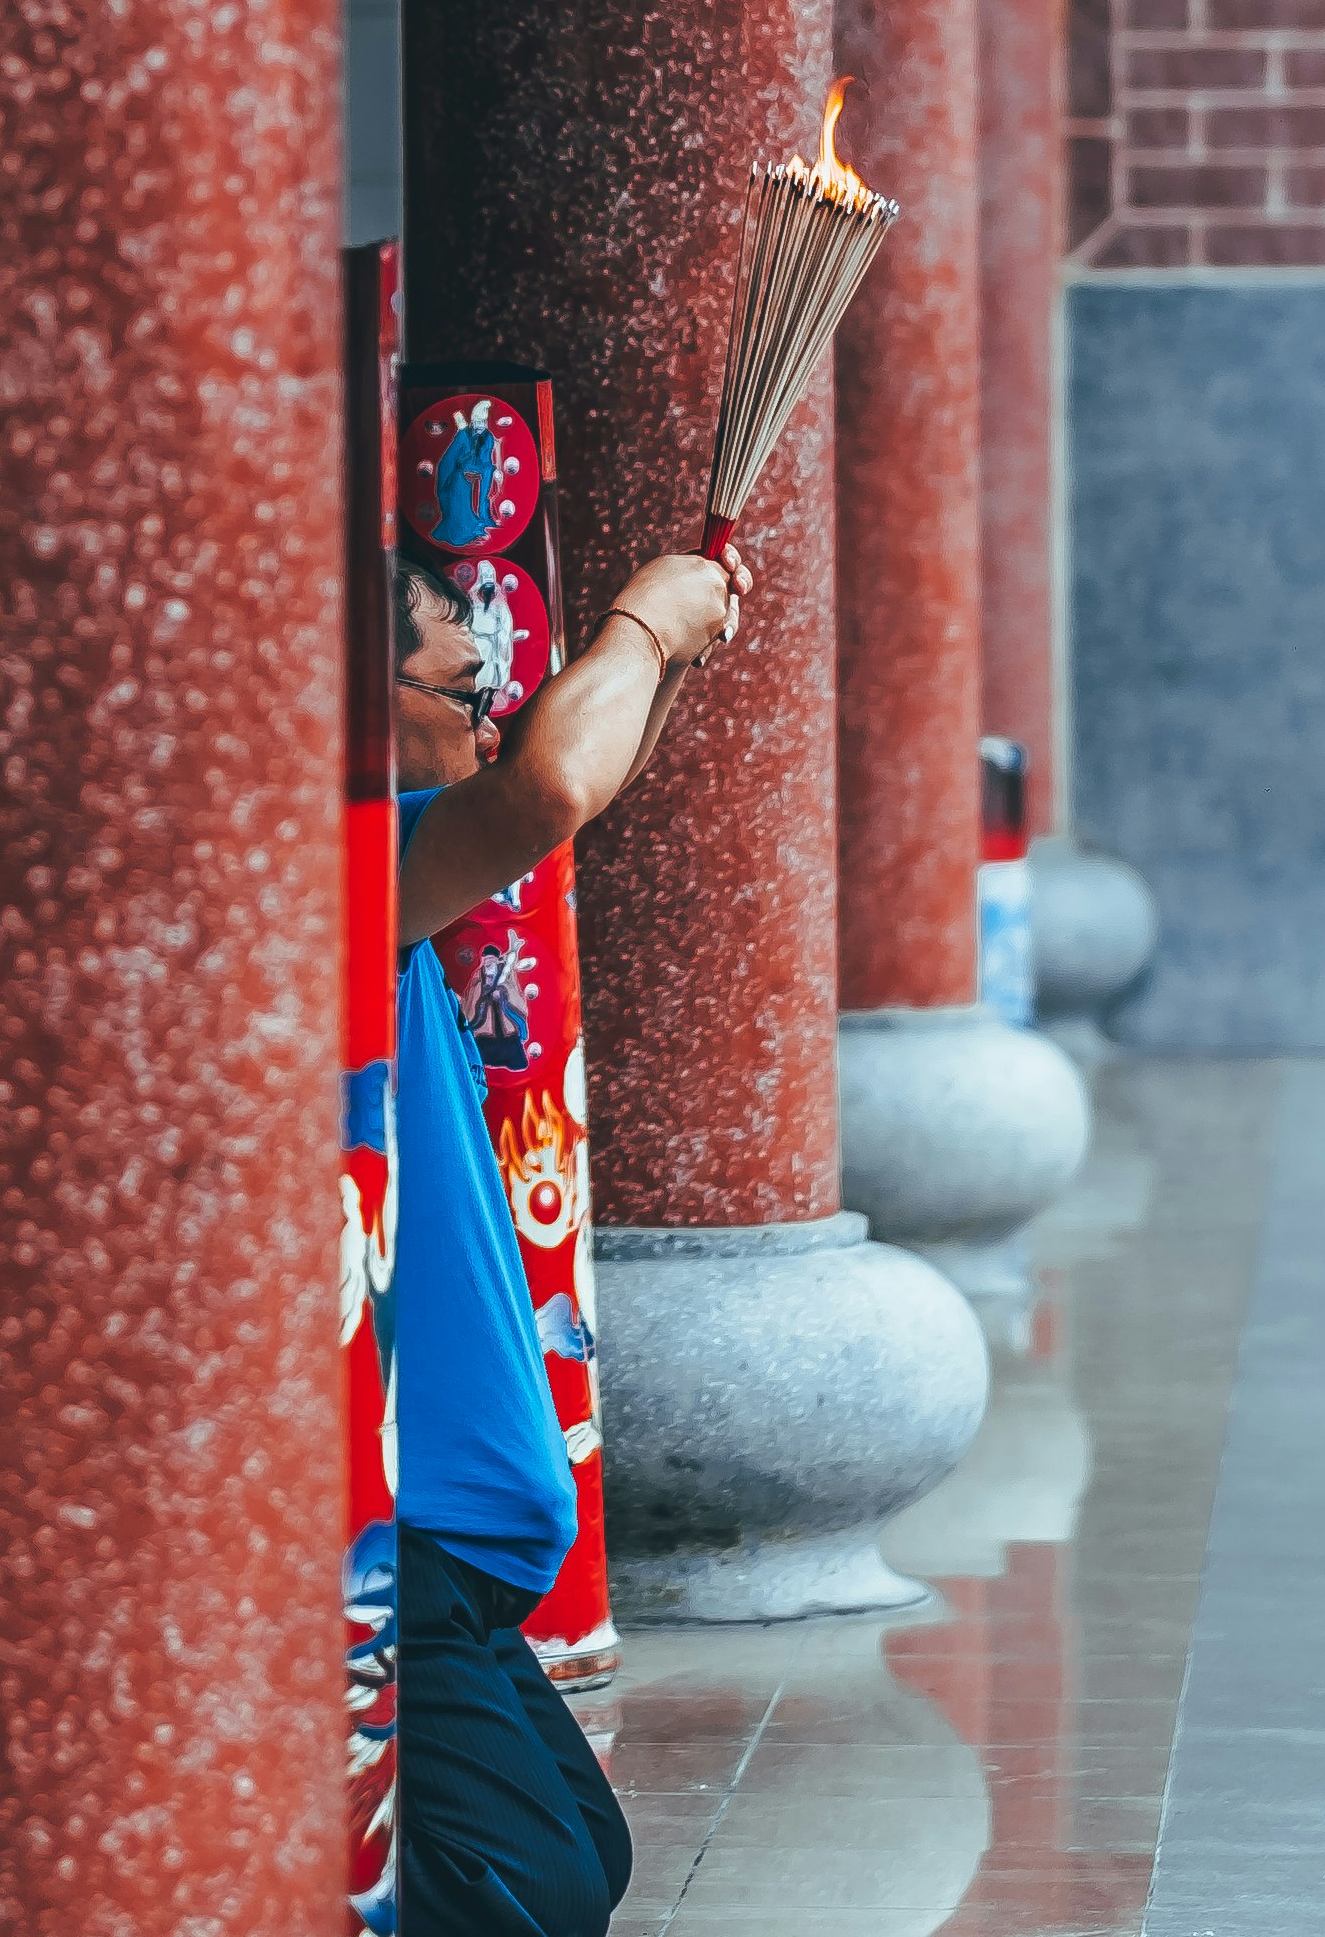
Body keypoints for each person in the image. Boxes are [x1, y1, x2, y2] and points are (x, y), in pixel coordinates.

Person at [390, 536, 752, 1937]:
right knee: (518, 1891)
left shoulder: (402, 881)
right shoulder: (330, 874)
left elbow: (563, 787)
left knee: (575, 1858)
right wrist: (642, 623)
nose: (486, 715)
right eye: (457, 682)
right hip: (392, 1541)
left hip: (460, 1560)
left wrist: (672, 658)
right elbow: (542, 787)